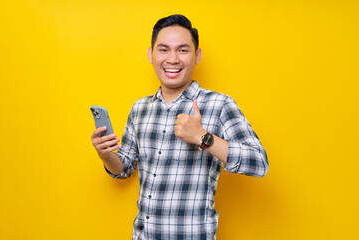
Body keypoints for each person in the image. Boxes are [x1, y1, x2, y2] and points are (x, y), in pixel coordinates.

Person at [91, 14, 269, 240]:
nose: (172, 59)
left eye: (183, 50)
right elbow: (123, 169)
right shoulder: (140, 108)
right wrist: (105, 154)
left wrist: (204, 138)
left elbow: (259, 162)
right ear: (150, 54)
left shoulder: (219, 104)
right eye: (163, 49)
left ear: (197, 56)